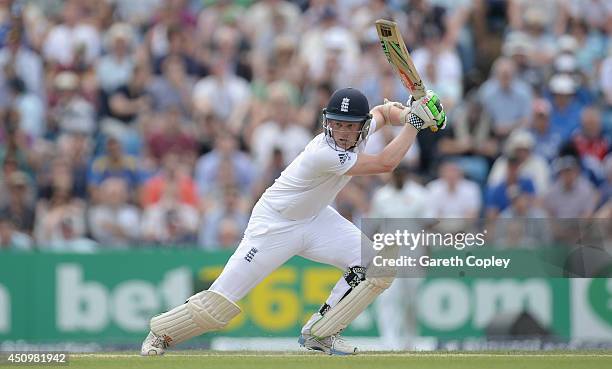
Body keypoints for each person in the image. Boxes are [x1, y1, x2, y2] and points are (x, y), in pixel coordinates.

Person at [140, 87, 447, 355]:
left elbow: (383, 111)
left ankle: (320, 333)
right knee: (219, 305)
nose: (341, 132)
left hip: (316, 219)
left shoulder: (363, 129)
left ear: (361, 127)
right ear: (327, 123)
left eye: (348, 126)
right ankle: (160, 334)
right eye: (336, 124)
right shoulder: (323, 153)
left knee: (377, 268)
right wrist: (417, 123)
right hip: (275, 224)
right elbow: (385, 163)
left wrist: (410, 111)